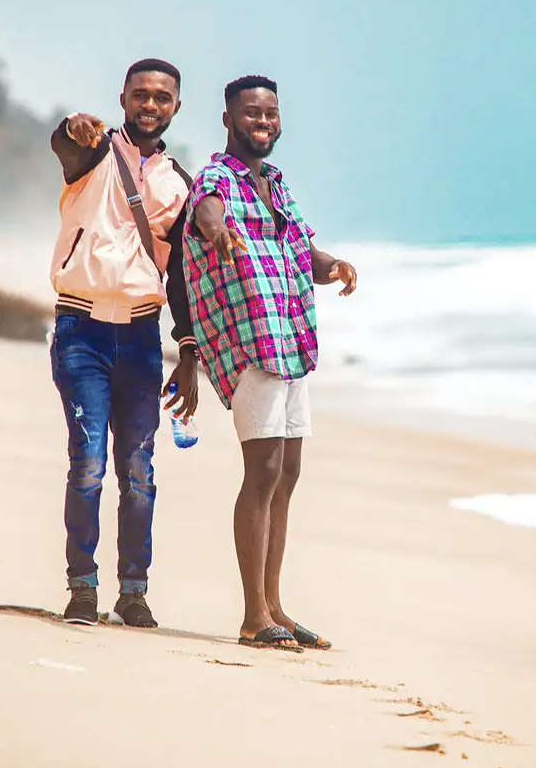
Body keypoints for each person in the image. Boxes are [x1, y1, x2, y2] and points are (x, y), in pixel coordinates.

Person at [184, 75, 357, 652]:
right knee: (261, 472)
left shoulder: (275, 183)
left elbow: (301, 248)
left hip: (291, 344)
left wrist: (334, 266)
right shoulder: (218, 178)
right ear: (228, 120)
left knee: (288, 473)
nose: (262, 123)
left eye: (270, 114)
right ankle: (254, 614)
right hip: (251, 342)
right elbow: (206, 214)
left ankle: (275, 604)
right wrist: (218, 233)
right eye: (251, 114)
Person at [48, 59, 199, 627]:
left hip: (140, 335)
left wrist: (189, 351)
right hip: (80, 330)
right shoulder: (91, 155)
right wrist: (72, 128)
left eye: (162, 97)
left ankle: (133, 592)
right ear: (123, 99)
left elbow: (182, 276)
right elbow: (65, 143)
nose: (150, 104)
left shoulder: (180, 184)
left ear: (176, 107)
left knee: (139, 471)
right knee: (87, 463)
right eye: (140, 94)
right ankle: (82, 588)